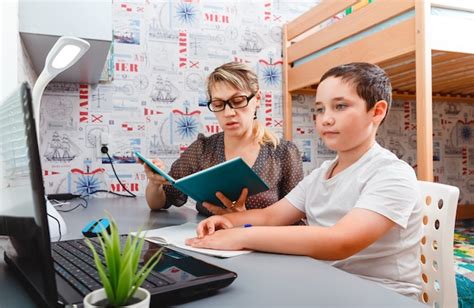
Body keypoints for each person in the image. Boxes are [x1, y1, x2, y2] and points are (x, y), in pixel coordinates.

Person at [186, 62, 423, 299]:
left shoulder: (392, 173)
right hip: (327, 282)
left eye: (340, 106)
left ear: (377, 111)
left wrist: (241, 236)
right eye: (320, 109)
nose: (326, 119)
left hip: (381, 294)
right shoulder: (322, 174)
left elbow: (340, 242)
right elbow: (271, 216)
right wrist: (226, 221)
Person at [142, 62, 304, 216]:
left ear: (258, 99)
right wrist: (155, 184)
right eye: (219, 104)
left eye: (238, 101)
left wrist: (244, 220)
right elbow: (160, 203)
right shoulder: (202, 149)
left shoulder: (283, 154)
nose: (228, 113)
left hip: (260, 244)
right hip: (204, 242)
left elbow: (296, 219)